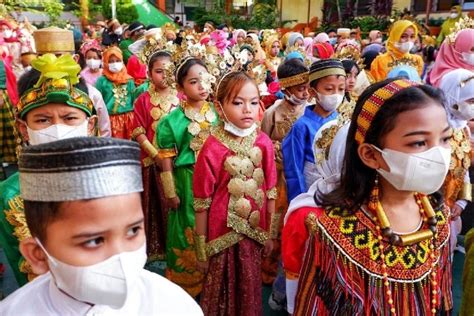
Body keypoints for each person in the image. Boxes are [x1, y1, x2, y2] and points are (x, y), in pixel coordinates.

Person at [293, 79, 453, 315]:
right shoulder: (335, 231)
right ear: (370, 154)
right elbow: (315, 306)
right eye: (419, 142)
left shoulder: (438, 216)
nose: (439, 154)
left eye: (445, 139)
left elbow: (443, 299)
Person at [0, 137, 203, 315]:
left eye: (133, 231)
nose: (121, 255)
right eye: (94, 241)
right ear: (38, 255)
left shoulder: (172, 305)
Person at [0, 53, 97, 286]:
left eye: (69, 118)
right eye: (43, 120)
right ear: (24, 129)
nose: (57, 129)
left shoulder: (112, 183)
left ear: (90, 125)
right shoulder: (9, 195)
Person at [193, 71, 276, 316]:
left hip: (253, 236)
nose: (247, 110)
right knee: (220, 293)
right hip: (219, 238)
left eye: (253, 102)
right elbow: (201, 203)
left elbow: (271, 192)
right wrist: (201, 249)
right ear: (219, 107)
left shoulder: (263, 142)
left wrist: (270, 234)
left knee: (250, 290)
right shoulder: (211, 147)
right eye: (238, 103)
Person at [157, 58, 218, 297]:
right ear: (181, 88)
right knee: (186, 227)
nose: (202, 86)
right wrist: (171, 192)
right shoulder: (170, 121)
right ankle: (187, 283)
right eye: (194, 82)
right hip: (187, 180)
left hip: (216, 180)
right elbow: (165, 161)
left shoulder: (219, 114)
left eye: (205, 80)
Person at [260, 58, 309, 297]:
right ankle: (269, 271)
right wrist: (275, 149)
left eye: (307, 86)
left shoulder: (309, 111)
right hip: (277, 178)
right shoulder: (272, 113)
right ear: (287, 88)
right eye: (300, 88)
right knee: (275, 223)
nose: (305, 92)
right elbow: (260, 143)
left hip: (300, 177)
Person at [131, 50, 179, 260]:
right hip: (153, 162)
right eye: (159, 71)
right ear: (149, 73)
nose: (164, 75)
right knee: (157, 205)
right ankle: (158, 248)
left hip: (181, 162)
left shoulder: (183, 96)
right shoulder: (142, 100)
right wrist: (156, 155)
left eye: (169, 71)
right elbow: (138, 131)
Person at [282, 59, 346, 202]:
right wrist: (299, 200)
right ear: (312, 92)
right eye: (329, 89)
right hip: (311, 191)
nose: (336, 95)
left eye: (341, 89)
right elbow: (293, 169)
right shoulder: (301, 126)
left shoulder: (344, 122)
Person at [438, 69, 474, 257]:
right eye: (470, 101)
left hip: (452, 210)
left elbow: (464, 170)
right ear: (452, 97)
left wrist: (461, 202)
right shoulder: (434, 129)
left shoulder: (463, 130)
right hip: (431, 209)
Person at [95, 47, 135, 139]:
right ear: (105, 62)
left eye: (117, 60)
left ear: (122, 61)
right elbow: (97, 101)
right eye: (111, 61)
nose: (115, 64)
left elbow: (133, 99)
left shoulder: (129, 80)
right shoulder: (101, 81)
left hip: (128, 119)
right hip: (109, 120)